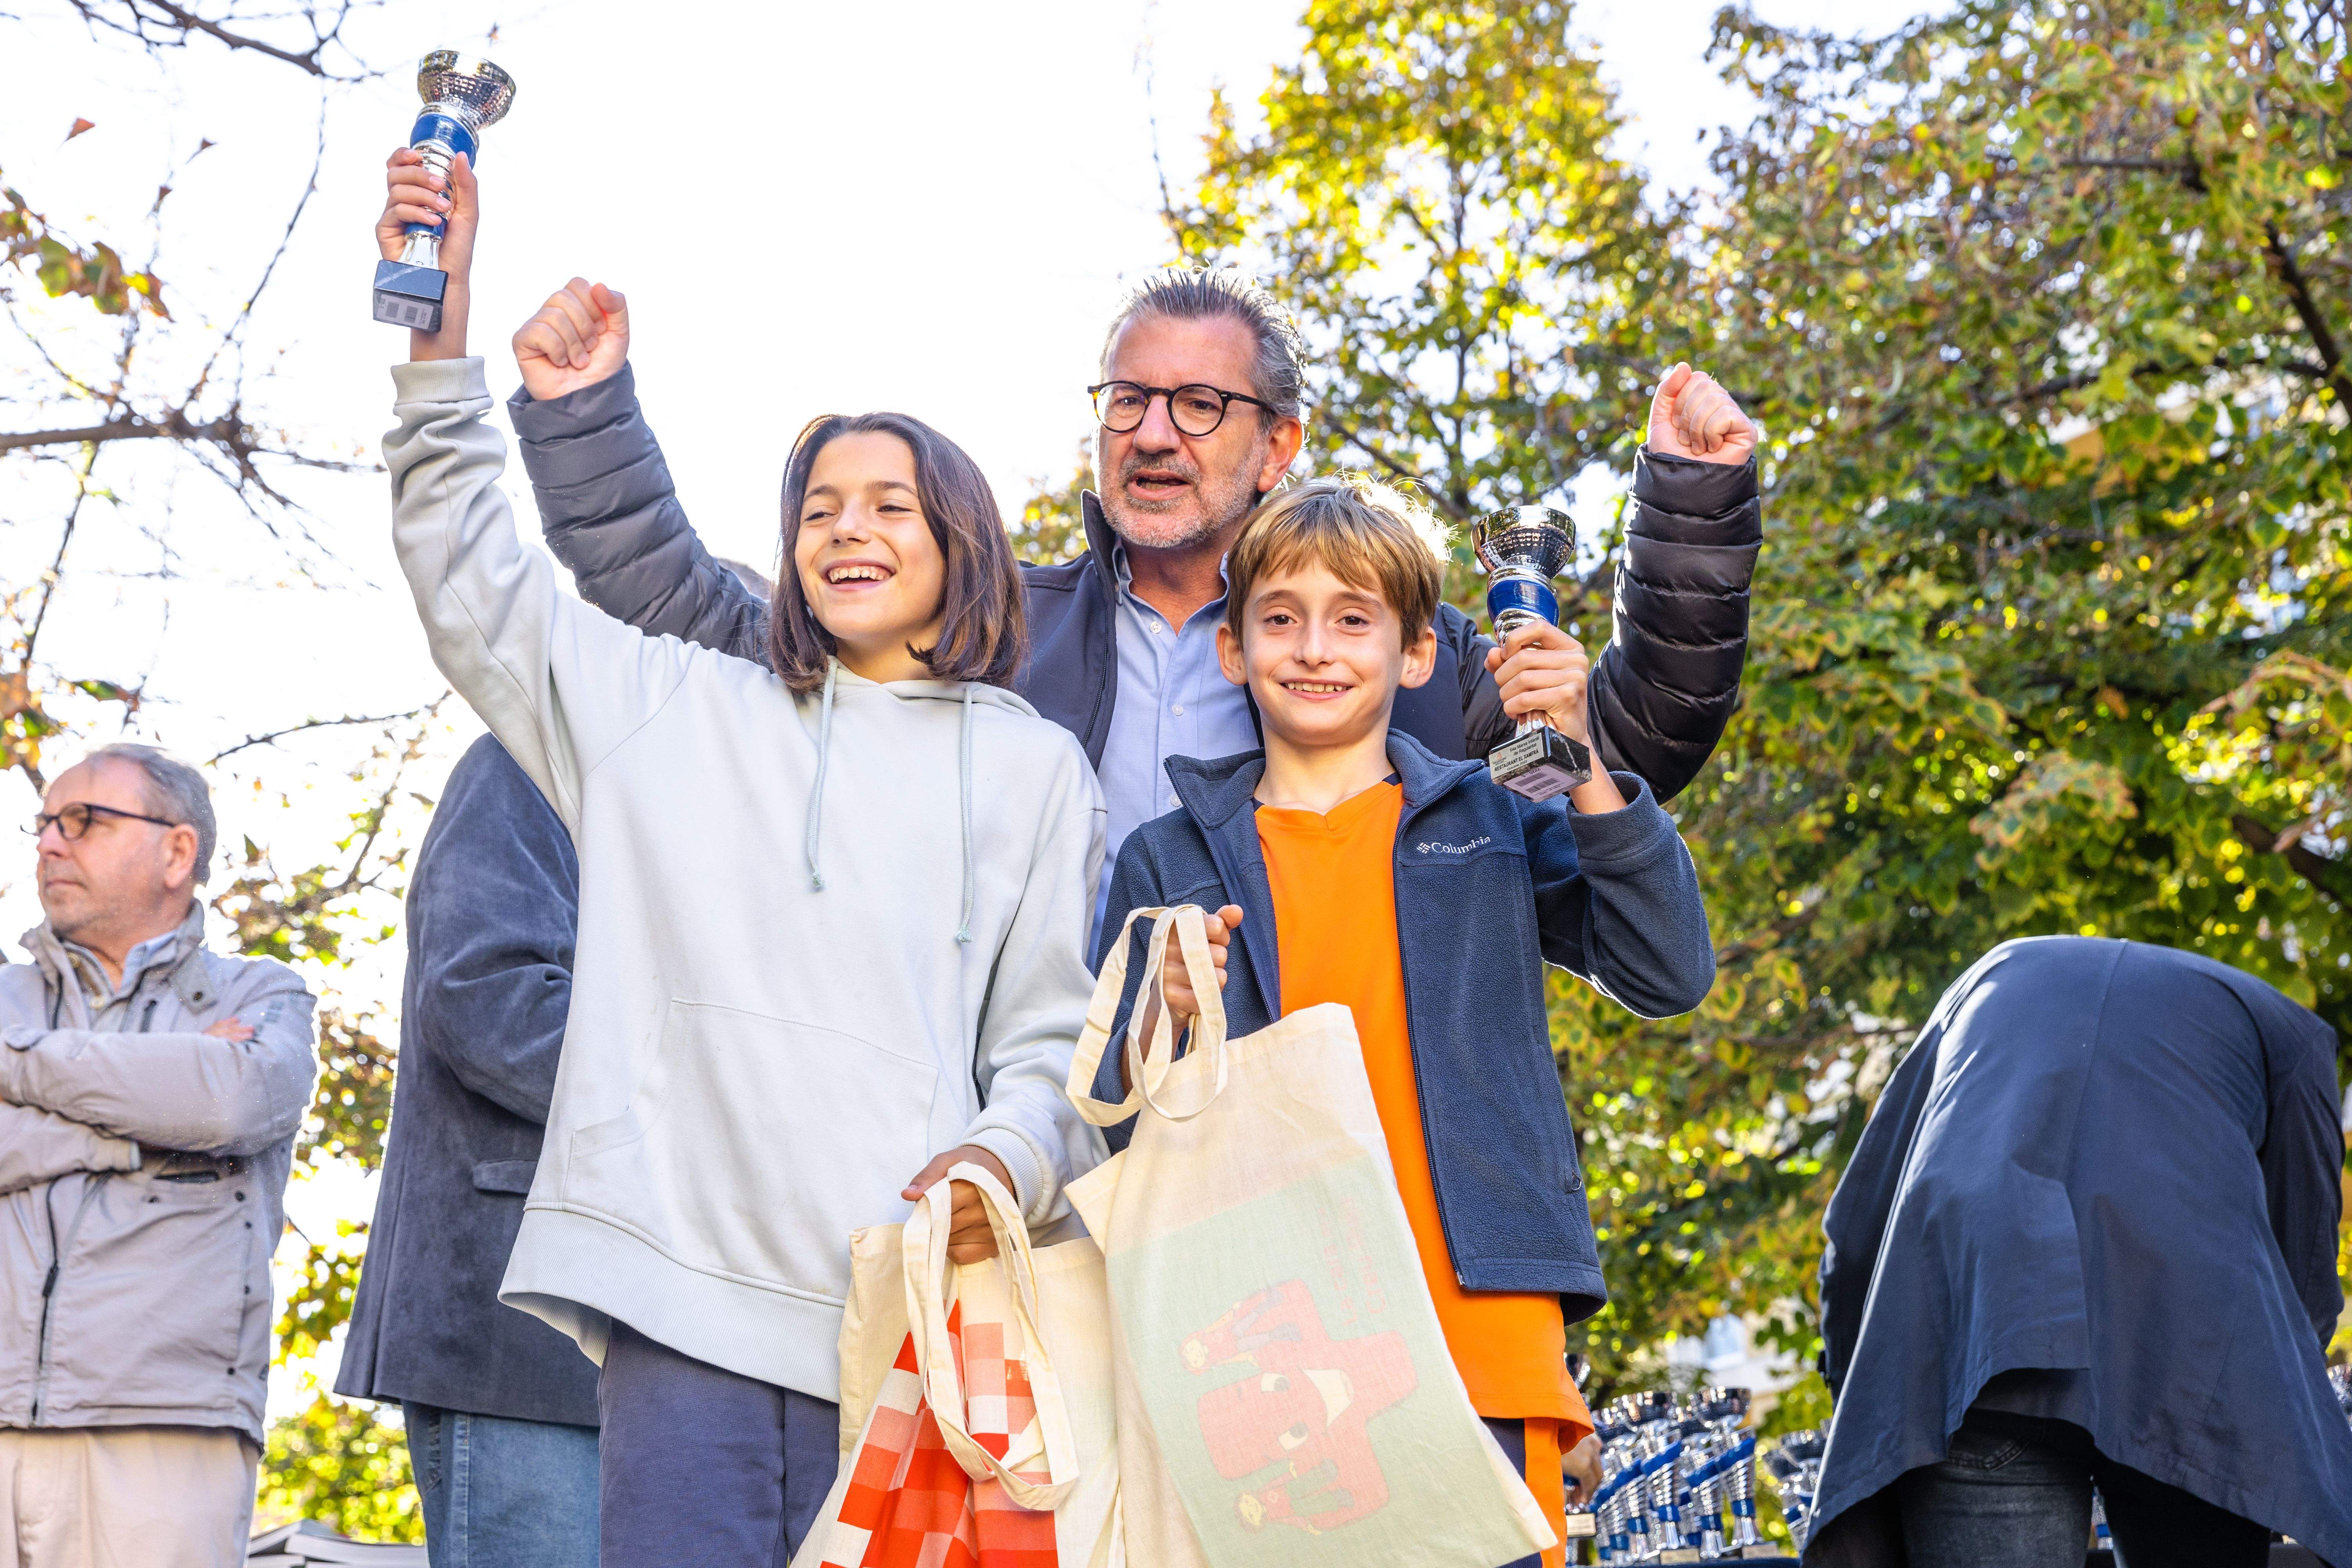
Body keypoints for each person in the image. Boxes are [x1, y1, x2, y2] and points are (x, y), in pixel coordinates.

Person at [389, 148, 1760, 935]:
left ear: (1279, 444)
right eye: (1129, 400)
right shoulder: (994, 628)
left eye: (1200, 404)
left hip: (1323, 1120)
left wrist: (1692, 507)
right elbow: (714, 616)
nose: (1155, 434)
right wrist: (582, 418)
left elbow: (1617, 753)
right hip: (1041, 1128)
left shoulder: (1388, 657)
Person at [377, 154, 1108, 1561]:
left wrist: (1003, 1158)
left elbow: (1055, 1042)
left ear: (962, 543)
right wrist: (438, 328)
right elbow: (472, 581)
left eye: (892, 504)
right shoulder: (669, 708)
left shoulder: (1030, 768)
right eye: (821, 506)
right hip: (684, 1321)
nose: (850, 529)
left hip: (913, 1320)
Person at [1102, 473, 1719, 1567]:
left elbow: (1666, 966)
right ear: (1234, 651)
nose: (1315, 648)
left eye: (1355, 620)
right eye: (1280, 619)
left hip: (1477, 1329)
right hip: (1268, 1359)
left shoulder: (1492, 817)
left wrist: (1575, 750)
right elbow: (1113, 1119)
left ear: (1419, 653)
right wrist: (1163, 1011)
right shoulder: (1167, 854)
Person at [1804, 936, 2352, 1568]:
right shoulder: (2292, 1032)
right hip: (2193, 1366)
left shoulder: (1984, 979)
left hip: (1984, 1352)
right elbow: (2305, 1262)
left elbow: (1858, 1228)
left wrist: (1869, 1400)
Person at [0, 745, 320, 1568]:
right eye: (45, 824)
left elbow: (229, 1101)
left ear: (178, 852)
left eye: (84, 821)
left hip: (166, 1430)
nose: (48, 843)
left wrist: (20, 1063)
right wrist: (133, 1127)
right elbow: (189, 1103)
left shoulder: (260, 996)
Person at [334, 735, 600, 1568]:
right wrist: (723, 1097)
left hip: (659, 1335)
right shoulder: (530, 762)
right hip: (518, 1333)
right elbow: (490, 1003)